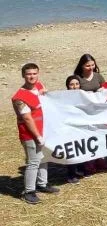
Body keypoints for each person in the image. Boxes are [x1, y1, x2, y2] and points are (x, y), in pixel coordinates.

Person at [12, 63, 58, 204]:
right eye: (28, 74)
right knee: (33, 162)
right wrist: (37, 136)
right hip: (30, 134)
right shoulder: (19, 97)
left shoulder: (38, 86)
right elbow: (27, 118)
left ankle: (42, 183)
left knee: (43, 158)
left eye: (34, 73)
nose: (32, 76)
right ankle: (29, 191)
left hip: (43, 130)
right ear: (23, 75)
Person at [64, 75, 83, 183]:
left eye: (77, 84)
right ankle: (71, 174)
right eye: (72, 84)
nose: (75, 86)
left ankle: (80, 170)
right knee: (71, 151)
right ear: (67, 86)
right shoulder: (63, 98)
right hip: (70, 128)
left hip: (81, 127)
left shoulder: (84, 95)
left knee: (81, 148)